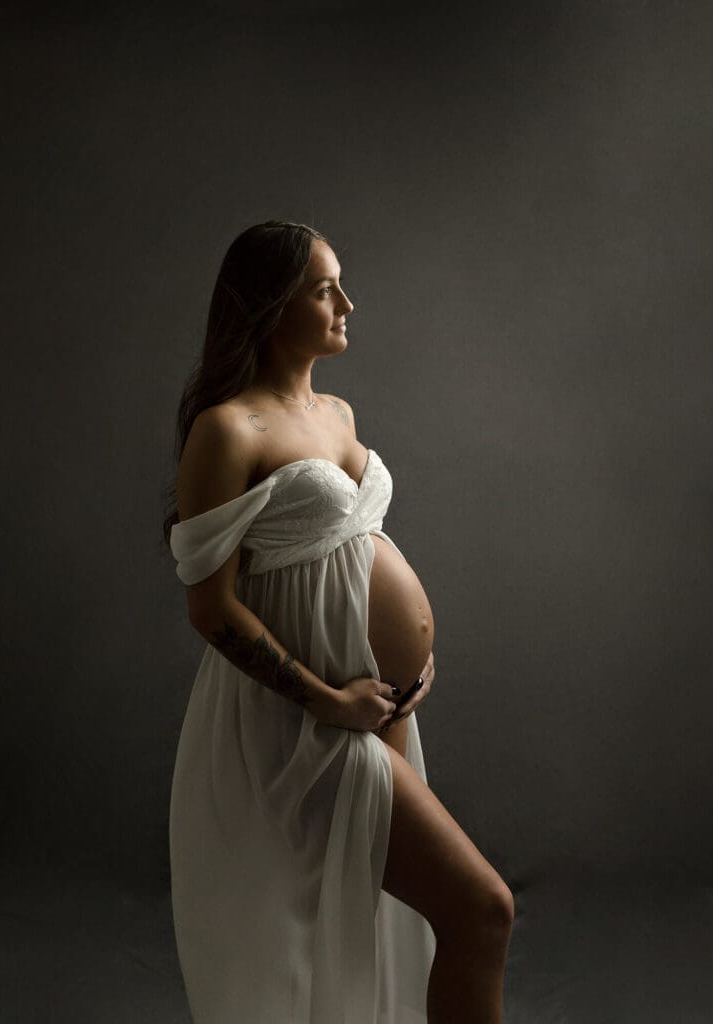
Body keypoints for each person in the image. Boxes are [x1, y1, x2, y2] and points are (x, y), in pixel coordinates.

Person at [163, 220, 514, 1023]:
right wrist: (324, 697)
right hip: (304, 722)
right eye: (324, 289)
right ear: (267, 306)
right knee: (481, 909)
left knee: (370, 922)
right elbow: (209, 605)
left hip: (376, 711)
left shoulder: (338, 413)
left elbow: (352, 546)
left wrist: (409, 659)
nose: (347, 303)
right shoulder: (228, 429)